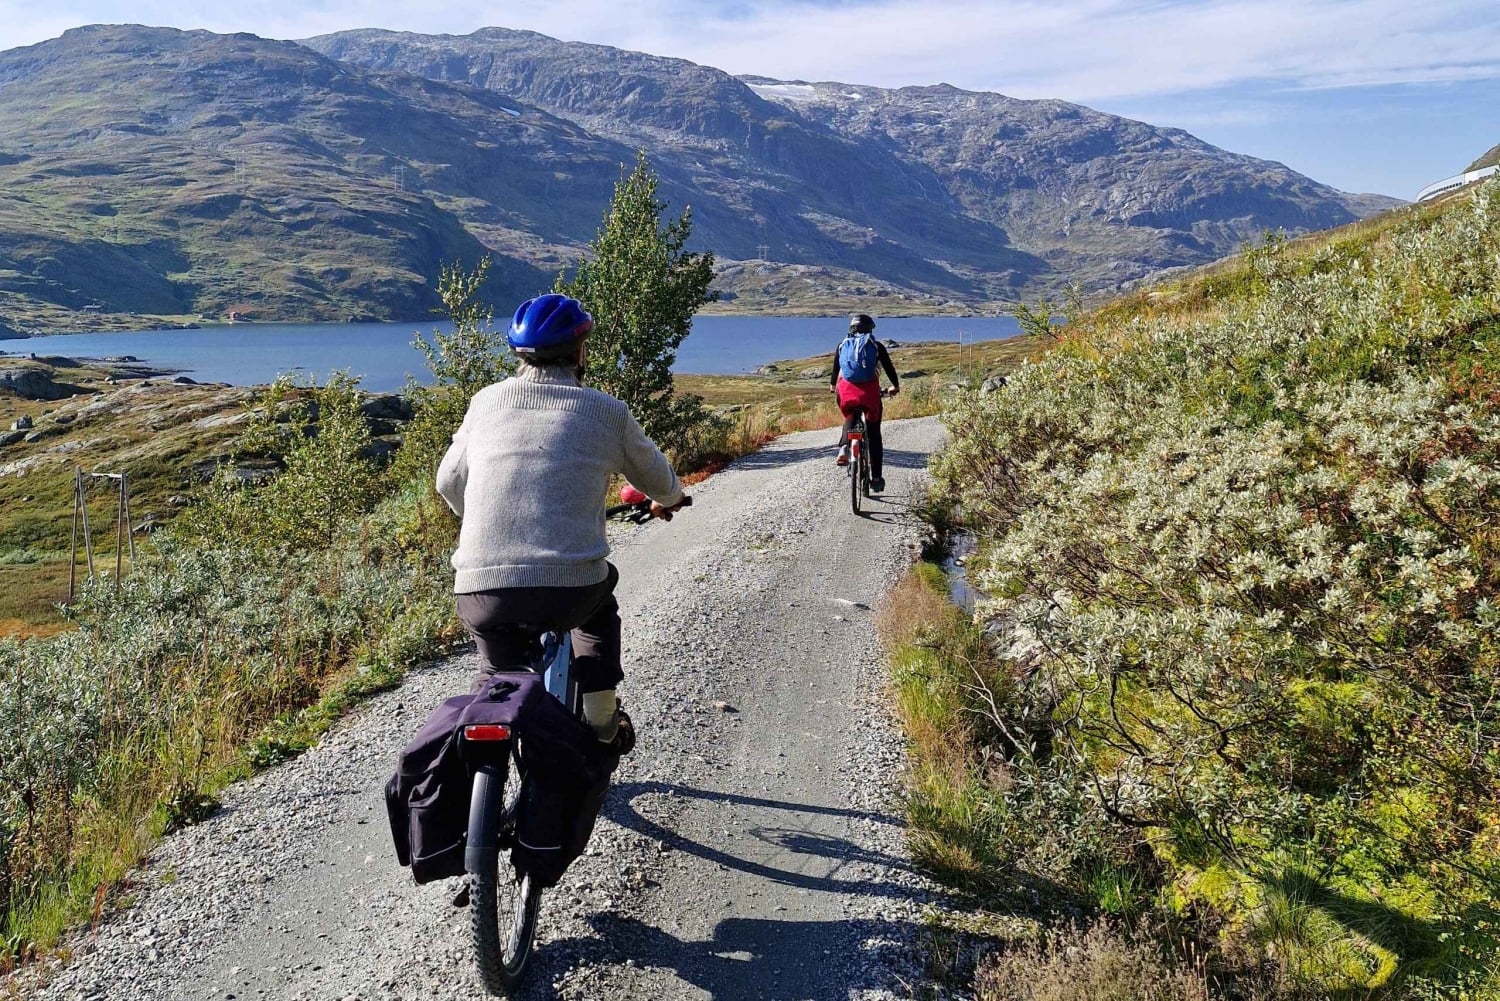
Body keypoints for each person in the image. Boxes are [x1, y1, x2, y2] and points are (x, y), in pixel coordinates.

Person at [436, 293, 686, 745]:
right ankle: (602, 721)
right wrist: (669, 498)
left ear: (519, 355)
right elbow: (659, 479)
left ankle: (478, 764)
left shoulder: (486, 402)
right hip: (569, 590)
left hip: (481, 588)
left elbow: (448, 483)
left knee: (495, 672)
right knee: (597, 613)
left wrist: (474, 518)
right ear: (579, 352)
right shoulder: (605, 411)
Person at [830, 313, 900, 493]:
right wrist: (894, 386)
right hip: (869, 394)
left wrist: (832, 387)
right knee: (874, 434)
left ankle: (845, 447)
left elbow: (835, 372)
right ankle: (876, 478)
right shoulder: (876, 346)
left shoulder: (842, 345)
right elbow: (889, 368)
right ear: (870, 329)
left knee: (849, 414)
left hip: (845, 391)